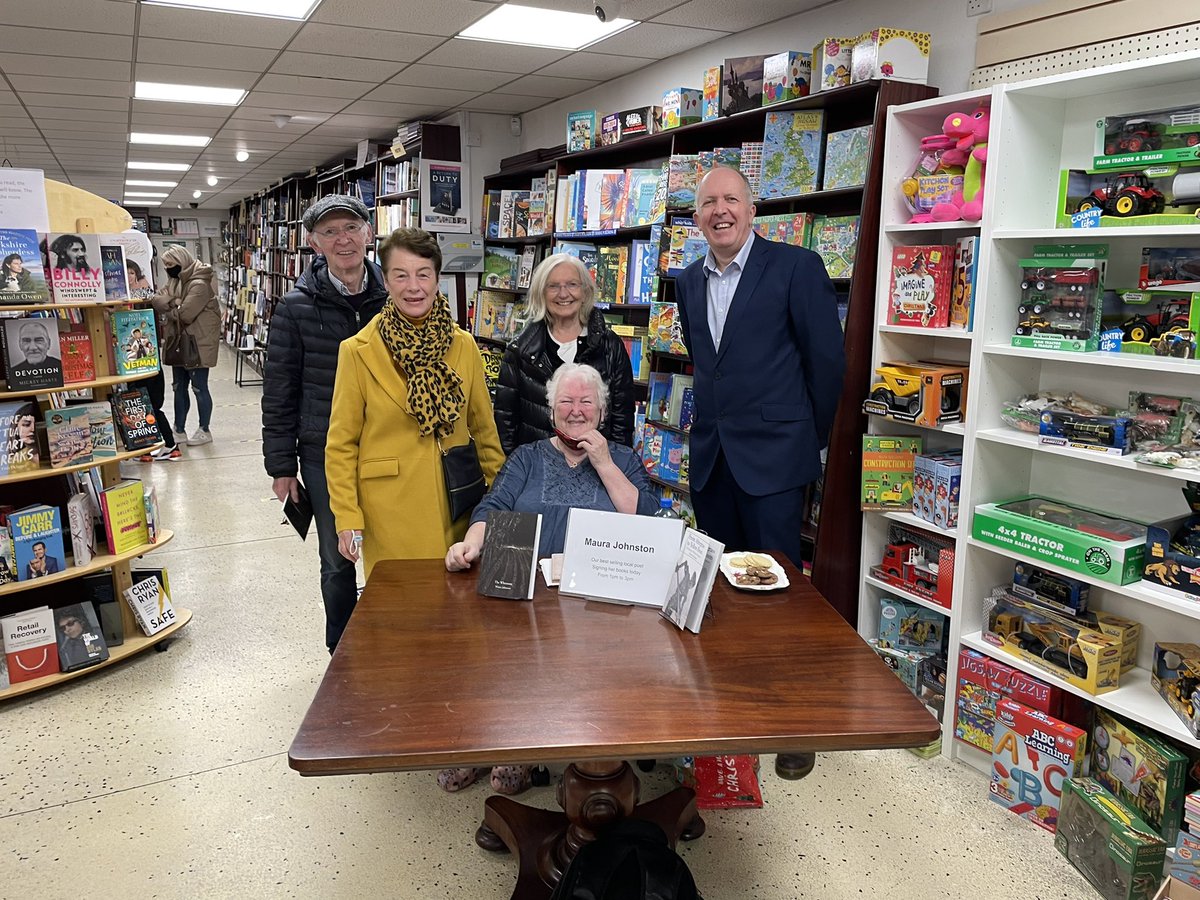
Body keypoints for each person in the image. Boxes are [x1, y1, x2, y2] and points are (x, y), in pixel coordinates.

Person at [675, 166, 846, 782]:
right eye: (708, 203)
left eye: (731, 200)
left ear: (753, 210)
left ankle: (797, 719)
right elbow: (707, 363)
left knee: (783, 592)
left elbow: (827, 364)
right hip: (715, 455)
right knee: (724, 586)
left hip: (775, 457)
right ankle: (738, 701)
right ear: (696, 218)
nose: (720, 211)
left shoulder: (796, 267)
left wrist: (809, 437)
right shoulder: (688, 280)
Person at [444, 362, 657, 794]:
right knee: (494, 652)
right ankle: (492, 741)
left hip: (598, 607)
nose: (576, 411)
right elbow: (493, 507)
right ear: (551, 410)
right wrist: (470, 543)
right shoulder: (527, 456)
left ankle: (535, 750)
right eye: (566, 402)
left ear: (600, 410)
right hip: (525, 597)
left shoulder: (623, 458)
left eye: (585, 402)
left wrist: (602, 462)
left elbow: (648, 521)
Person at [325, 227, 504, 576]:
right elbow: (341, 445)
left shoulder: (463, 345)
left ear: (437, 279)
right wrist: (347, 517)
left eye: (424, 274)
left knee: (458, 614)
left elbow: (484, 430)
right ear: (386, 281)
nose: (414, 286)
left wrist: (503, 497)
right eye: (401, 275)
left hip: (459, 508)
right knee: (401, 613)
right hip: (389, 512)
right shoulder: (358, 352)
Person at [262, 194, 389, 653]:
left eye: (352, 228)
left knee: (391, 551)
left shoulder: (396, 294)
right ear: (314, 243)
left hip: (388, 449)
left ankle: (392, 640)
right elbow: (279, 391)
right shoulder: (294, 308)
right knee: (338, 560)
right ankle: (343, 652)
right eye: (331, 232)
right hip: (321, 453)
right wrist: (281, 467)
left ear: (369, 234)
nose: (343, 239)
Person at [493, 253, 634, 454]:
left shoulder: (610, 346)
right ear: (541, 293)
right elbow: (505, 423)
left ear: (585, 291)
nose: (563, 293)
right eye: (553, 286)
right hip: (538, 471)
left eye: (572, 284)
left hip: (596, 470)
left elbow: (623, 422)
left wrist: (614, 469)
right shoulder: (520, 351)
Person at [152, 245, 220, 447]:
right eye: (165, 265)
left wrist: (170, 309)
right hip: (179, 343)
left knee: (199, 387)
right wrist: (175, 302)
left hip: (197, 344)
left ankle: (204, 429)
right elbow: (155, 299)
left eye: (171, 264)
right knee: (178, 387)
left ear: (182, 261)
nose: (167, 268)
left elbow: (185, 315)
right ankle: (178, 428)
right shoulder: (175, 281)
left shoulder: (199, 283)